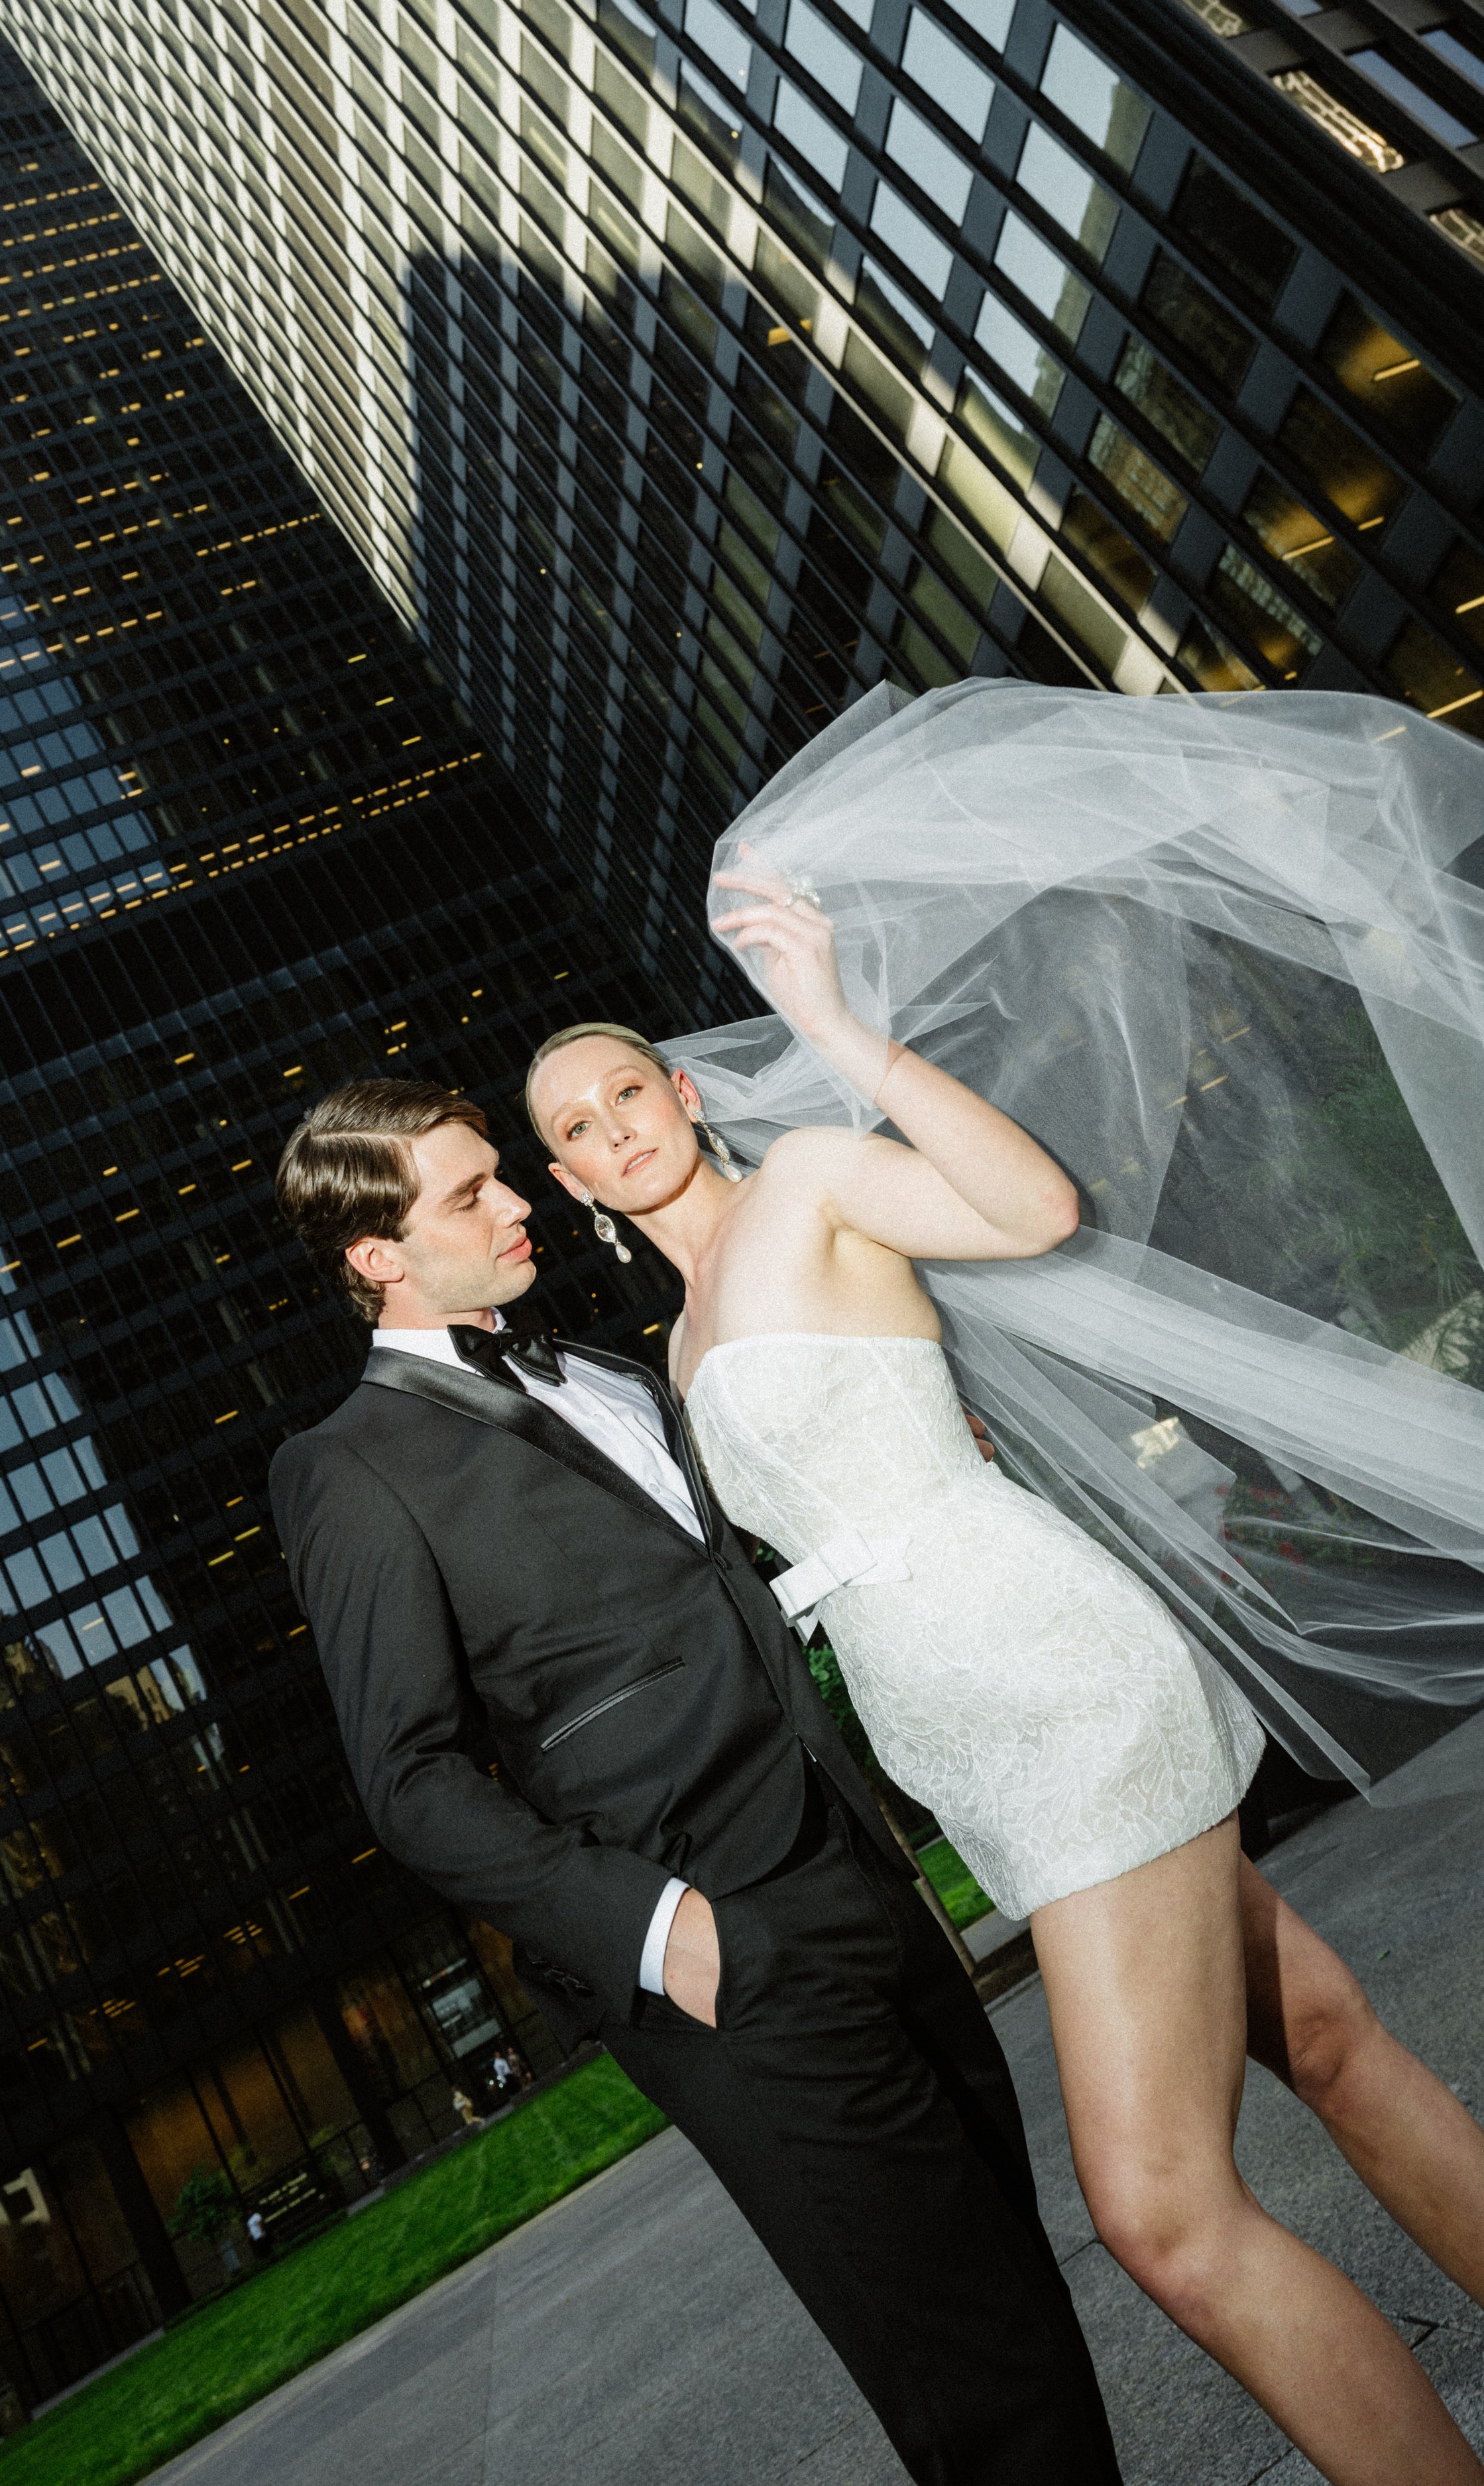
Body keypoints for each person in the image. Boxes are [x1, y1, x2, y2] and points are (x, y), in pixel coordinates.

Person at [526, 962, 1484, 2477]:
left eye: (623, 1091)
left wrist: (841, 1035)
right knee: (1318, 2036)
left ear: (683, 1093)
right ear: (570, 1181)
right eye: (572, 1129)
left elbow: (1031, 1210)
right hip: (958, 1736)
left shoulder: (814, 1183)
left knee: (1158, 2217)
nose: (609, 1130)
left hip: (1050, 1678)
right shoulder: (674, 1348)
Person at [270, 1078, 1119, 2486]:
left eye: (501, 1174)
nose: (518, 1200)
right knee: (974, 2377)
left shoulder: (608, 1373)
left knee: (1015, 2296)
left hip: (866, 1885)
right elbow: (409, 1780)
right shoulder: (346, 1469)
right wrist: (666, 1935)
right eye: (469, 1193)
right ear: (376, 1256)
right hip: (725, 1953)